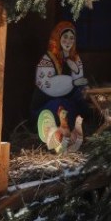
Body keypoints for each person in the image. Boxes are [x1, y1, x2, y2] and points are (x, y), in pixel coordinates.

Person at [31, 21, 92, 150]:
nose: (68, 41)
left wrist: (81, 86)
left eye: (71, 38)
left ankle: (77, 135)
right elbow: (47, 84)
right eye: (65, 37)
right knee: (60, 106)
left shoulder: (75, 58)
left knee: (82, 102)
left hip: (68, 99)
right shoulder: (47, 59)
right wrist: (73, 82)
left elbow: (79, 80)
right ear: (58, 38)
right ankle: (57, 140)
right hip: (47, 101)